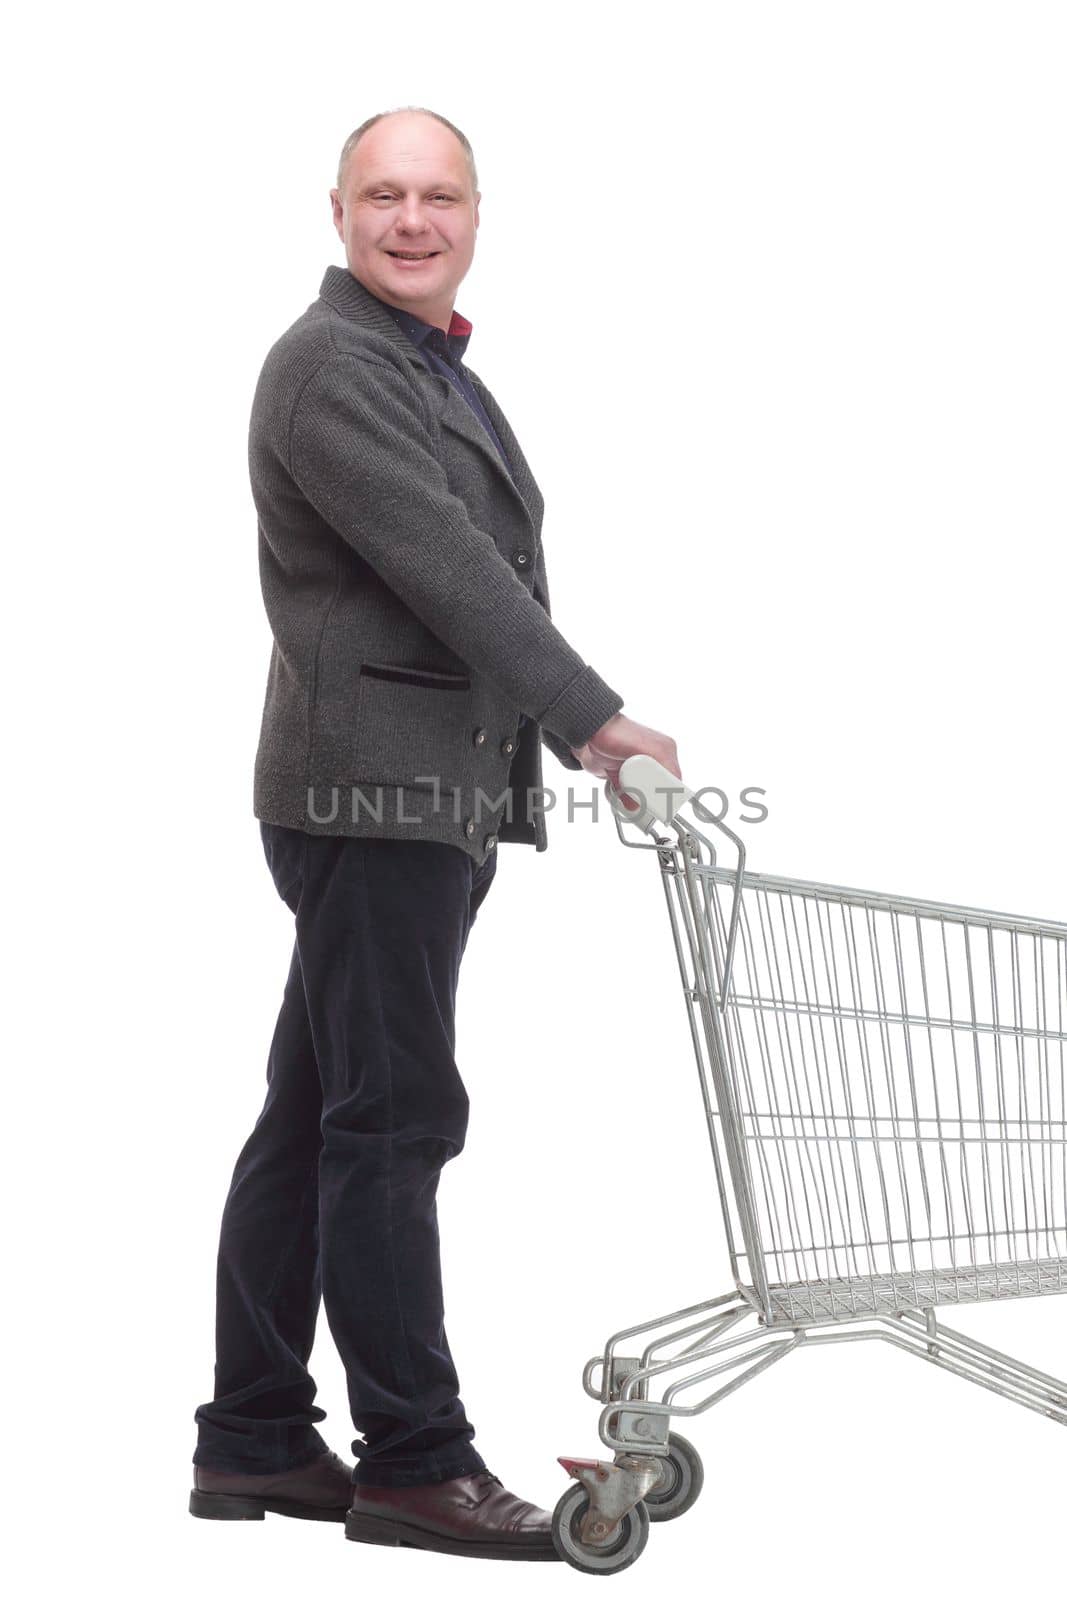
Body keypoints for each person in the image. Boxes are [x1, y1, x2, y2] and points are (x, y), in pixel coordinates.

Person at [190, 105, 680, 1562]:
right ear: (335, 213)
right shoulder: (332, 364)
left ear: (478, 212)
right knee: (393, 1125)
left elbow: (470, 563)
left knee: (318, 1116)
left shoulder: (415, 360)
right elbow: (448, 567)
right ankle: (416, 1459)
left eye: (441, 196)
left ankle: (257, 1435)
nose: (415, 221)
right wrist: (594, 718)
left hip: (411, 796)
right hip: (375, 800)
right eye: (384, 196)